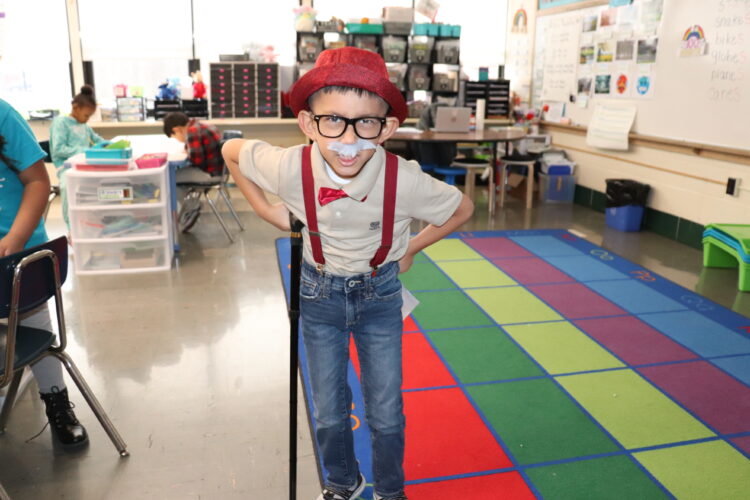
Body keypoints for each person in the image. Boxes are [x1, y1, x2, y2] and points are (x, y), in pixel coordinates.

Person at [223, 47, 474, 500]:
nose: (348, 139)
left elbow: (463, 209)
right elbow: (230, 149)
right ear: (307, 123)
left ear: (387, 128)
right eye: (333, 120)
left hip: (380, 296)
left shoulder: (405, 178)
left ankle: (391, 491)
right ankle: (343, 483)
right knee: (329, 412)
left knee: (386, 412)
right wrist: (266, 210)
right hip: (319, 294)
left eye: (366, 123)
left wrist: (410, 247)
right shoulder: (288, 165)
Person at [0, 98, 89, 448]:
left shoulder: (3, 115)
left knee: (34, 323)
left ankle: (56, 401)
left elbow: (38, 181)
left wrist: (15, 239)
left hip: (16, 252)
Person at [49, 84, 107, 231]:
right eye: (86, 115)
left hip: (85, 166)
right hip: (67, 168)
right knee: (69, 190)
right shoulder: (61, 123)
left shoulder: (84, 126)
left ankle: (95, 224)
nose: (87, 120)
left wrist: (109, 145)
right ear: (76, 108)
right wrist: (86, 150)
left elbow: (97, 139)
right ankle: (72, 229)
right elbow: (58, 149)